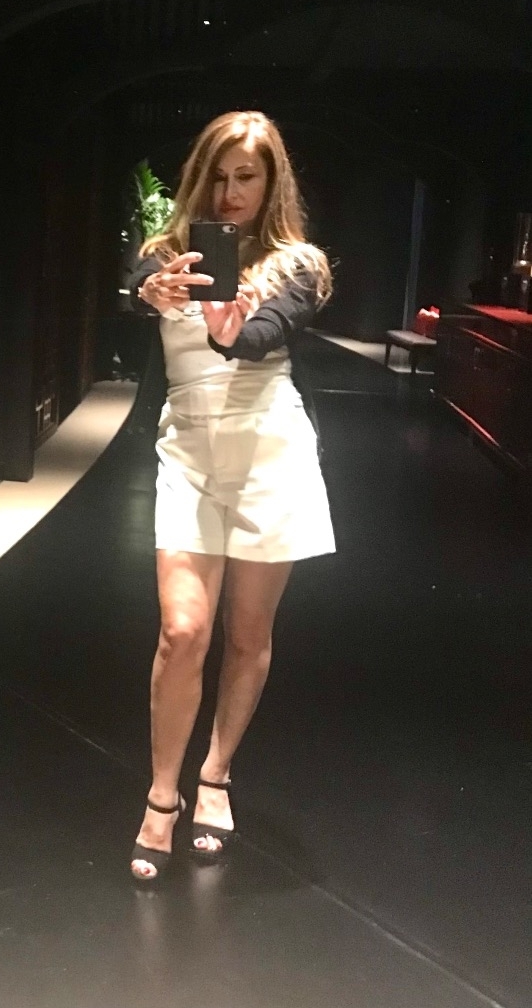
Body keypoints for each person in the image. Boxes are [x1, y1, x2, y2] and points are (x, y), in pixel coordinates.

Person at [127, 110, 336, 881]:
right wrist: (148, 291)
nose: (230, 192)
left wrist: (226, 328)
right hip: (187, 448)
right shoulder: (165, 252)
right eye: (217, 176)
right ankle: (162, 794)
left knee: (247, 635)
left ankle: (214, 774)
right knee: (183, 631)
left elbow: (260, 337)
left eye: (246, 176)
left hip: (269, 450)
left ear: (272, 180)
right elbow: (131, 292)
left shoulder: (299, 265)